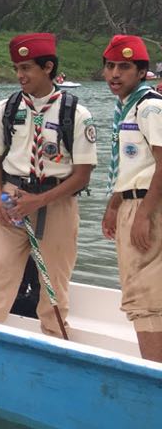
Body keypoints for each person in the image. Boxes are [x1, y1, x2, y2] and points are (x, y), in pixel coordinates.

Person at [0, 33, 96, 337]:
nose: (19, 75)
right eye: (17, 67)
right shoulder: (8, 108)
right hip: (11, 198)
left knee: (54, 281)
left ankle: (55, 342)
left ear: (48, 67)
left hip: (56, 201)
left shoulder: (75, 114)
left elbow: (82, 175)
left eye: (26, 68)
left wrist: (39, 201)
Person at [100, 35, 162, 361]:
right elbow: (129, 164)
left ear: (141, 72)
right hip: (130, 201)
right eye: (110, 66)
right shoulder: (127, 107)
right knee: (139, 291)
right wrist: (113, 206)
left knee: (146, 297)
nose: (115, 74)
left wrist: (143, 214)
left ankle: (154, 374)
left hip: (147, 205)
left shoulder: (149, 106)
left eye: (124, 67)